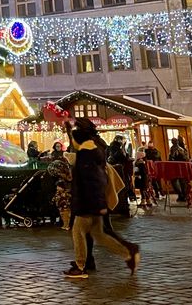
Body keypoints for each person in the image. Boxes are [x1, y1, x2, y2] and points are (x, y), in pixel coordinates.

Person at [63, 118, 139, 280]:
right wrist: (69, 129)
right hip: (94, 202)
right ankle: (128, 253)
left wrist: (97, 204)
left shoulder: (86, 154)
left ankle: (80, 266)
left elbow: (93, 181)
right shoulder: (92, 149)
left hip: (88, 203)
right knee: (100, 234)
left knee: (78, 232)